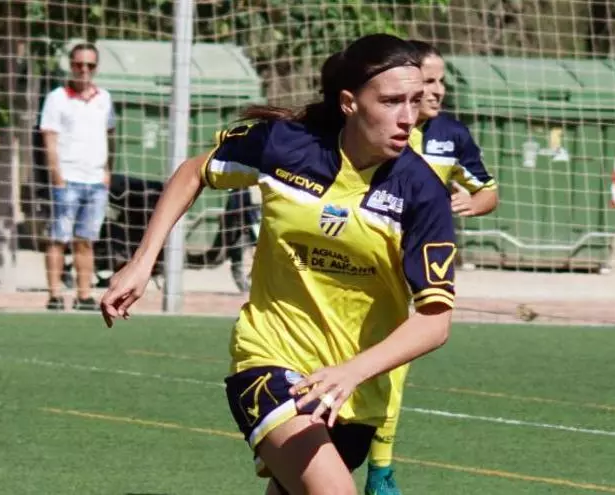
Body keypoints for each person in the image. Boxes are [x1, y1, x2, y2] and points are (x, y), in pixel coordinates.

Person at [99, 33, 456, 495]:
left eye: (414, 100)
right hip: (269, 358)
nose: (407, 117)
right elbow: (195, 171)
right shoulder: (285, 147)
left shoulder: (422, 191)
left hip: (354, 393)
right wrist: (143, 260)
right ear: (349, 103)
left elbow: (435, 320)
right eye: (390, 102)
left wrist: (351, 372)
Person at [363, 39, 499, 495]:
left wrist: (472, 203)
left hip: (413, 272)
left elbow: (487, 191)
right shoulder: (372, 135)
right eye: (429, 81)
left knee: (394, 367)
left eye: (441, 81)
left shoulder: (450, 135)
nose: (437, 90)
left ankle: (380, 471)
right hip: (360, 261)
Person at [40, 42, 116, 311]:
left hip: (95, 182)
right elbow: (49, 138)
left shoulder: (104, 98)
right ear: (71, 65)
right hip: (67, 179)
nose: (84, 69)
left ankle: (84, 295)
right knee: (58, 238)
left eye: (90, 65)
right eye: (79, 64)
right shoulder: (57, 98)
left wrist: (106, 172)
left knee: (86, 240)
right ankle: (54, 294)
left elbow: (110, 136)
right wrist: (57, 175)